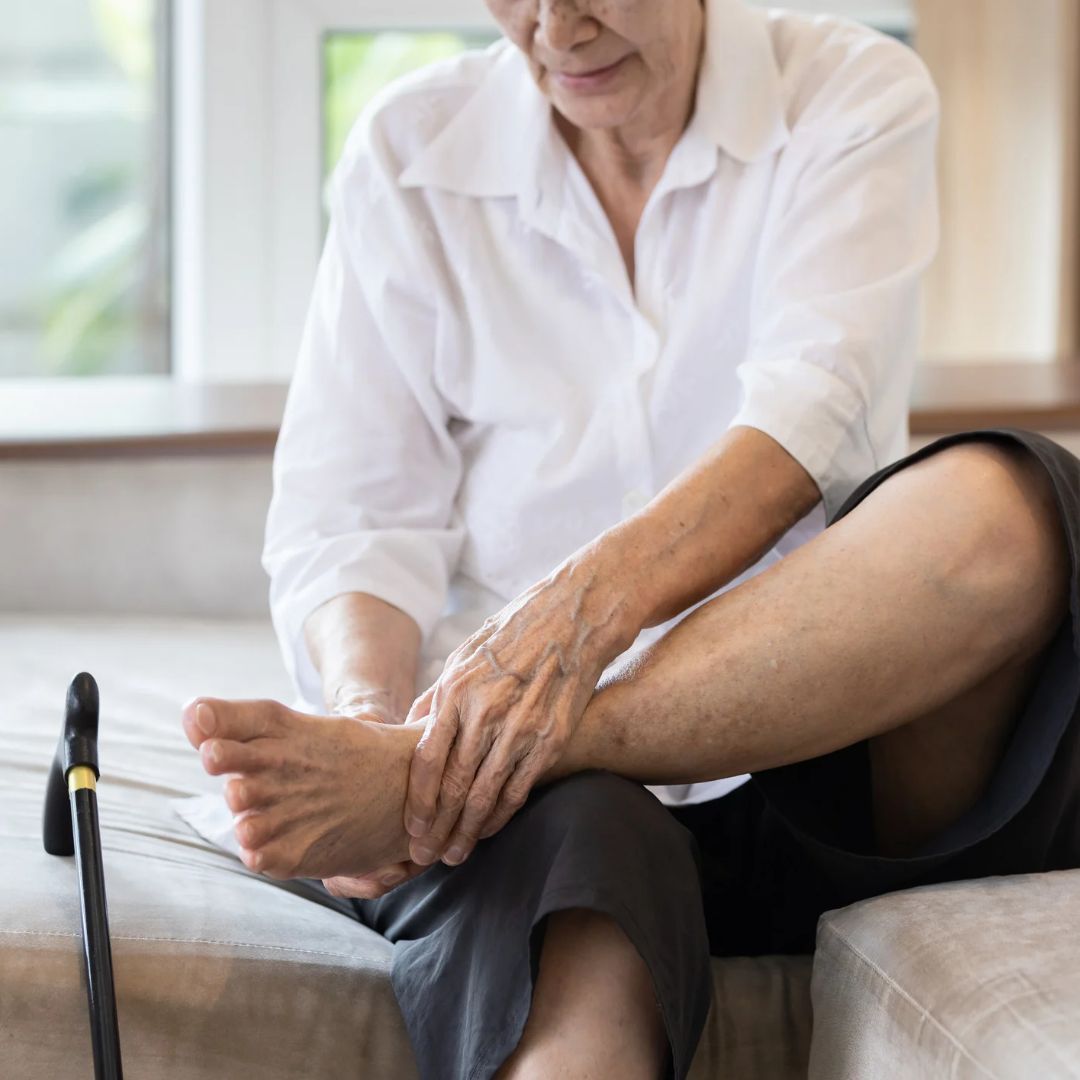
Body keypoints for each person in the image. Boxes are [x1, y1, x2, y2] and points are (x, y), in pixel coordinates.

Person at [183, 2, 1080, 1078]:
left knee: (1010, 499)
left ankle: (452, 763)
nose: (559, 26)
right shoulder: (411, 153)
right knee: (584, 875)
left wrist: (557, 642)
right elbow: (355, 520)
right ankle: (462, 766)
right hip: (542, 825)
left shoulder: (849, 91)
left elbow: (808, 421)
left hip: (815, 747)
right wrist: (370, 710)